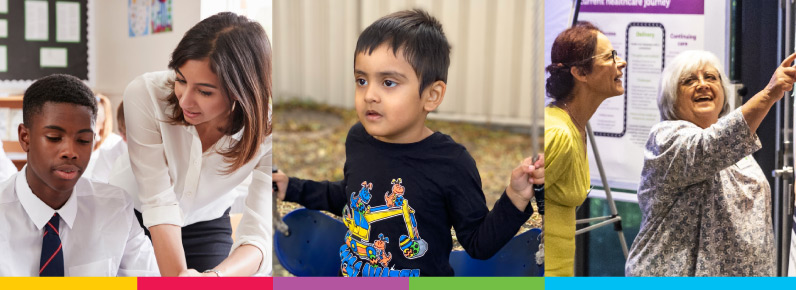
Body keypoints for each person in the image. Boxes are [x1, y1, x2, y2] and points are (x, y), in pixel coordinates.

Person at [272, 9, 543, 276]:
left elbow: (478, 243)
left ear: (432, 96)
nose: (370, 95)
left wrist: (516, 196)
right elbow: (348, 197)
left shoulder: (451, 163)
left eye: (388, 82)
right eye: (361, 80)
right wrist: (292, 187)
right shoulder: (358, 139)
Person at [111, 12, 272, 276]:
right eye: (181, 80)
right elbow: (157, 202)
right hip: (133, 214)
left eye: (205, 91)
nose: (185, 100)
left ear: (240, 91)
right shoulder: (145, 93)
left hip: (206, 221)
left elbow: (260, 232)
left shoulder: (270, 128)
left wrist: (215, 278)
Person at [625, 50, 796, 276]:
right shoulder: (665, 138)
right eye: (689, 81)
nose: (702, 85)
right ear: (671, 97)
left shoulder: (735, 142)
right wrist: (768, 94)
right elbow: (709, 147)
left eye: (710, 77)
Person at [0, 74, 158, 276]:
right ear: (25, 137)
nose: (70, 152)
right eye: (54, 138)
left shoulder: (115, 208)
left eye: (83, 140)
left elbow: (149, 281)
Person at [543, 21, 626, 276]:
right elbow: (509, 211)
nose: (620, 62)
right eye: (610, 56)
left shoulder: (575, 126)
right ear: (580, 73)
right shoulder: (558, 134)